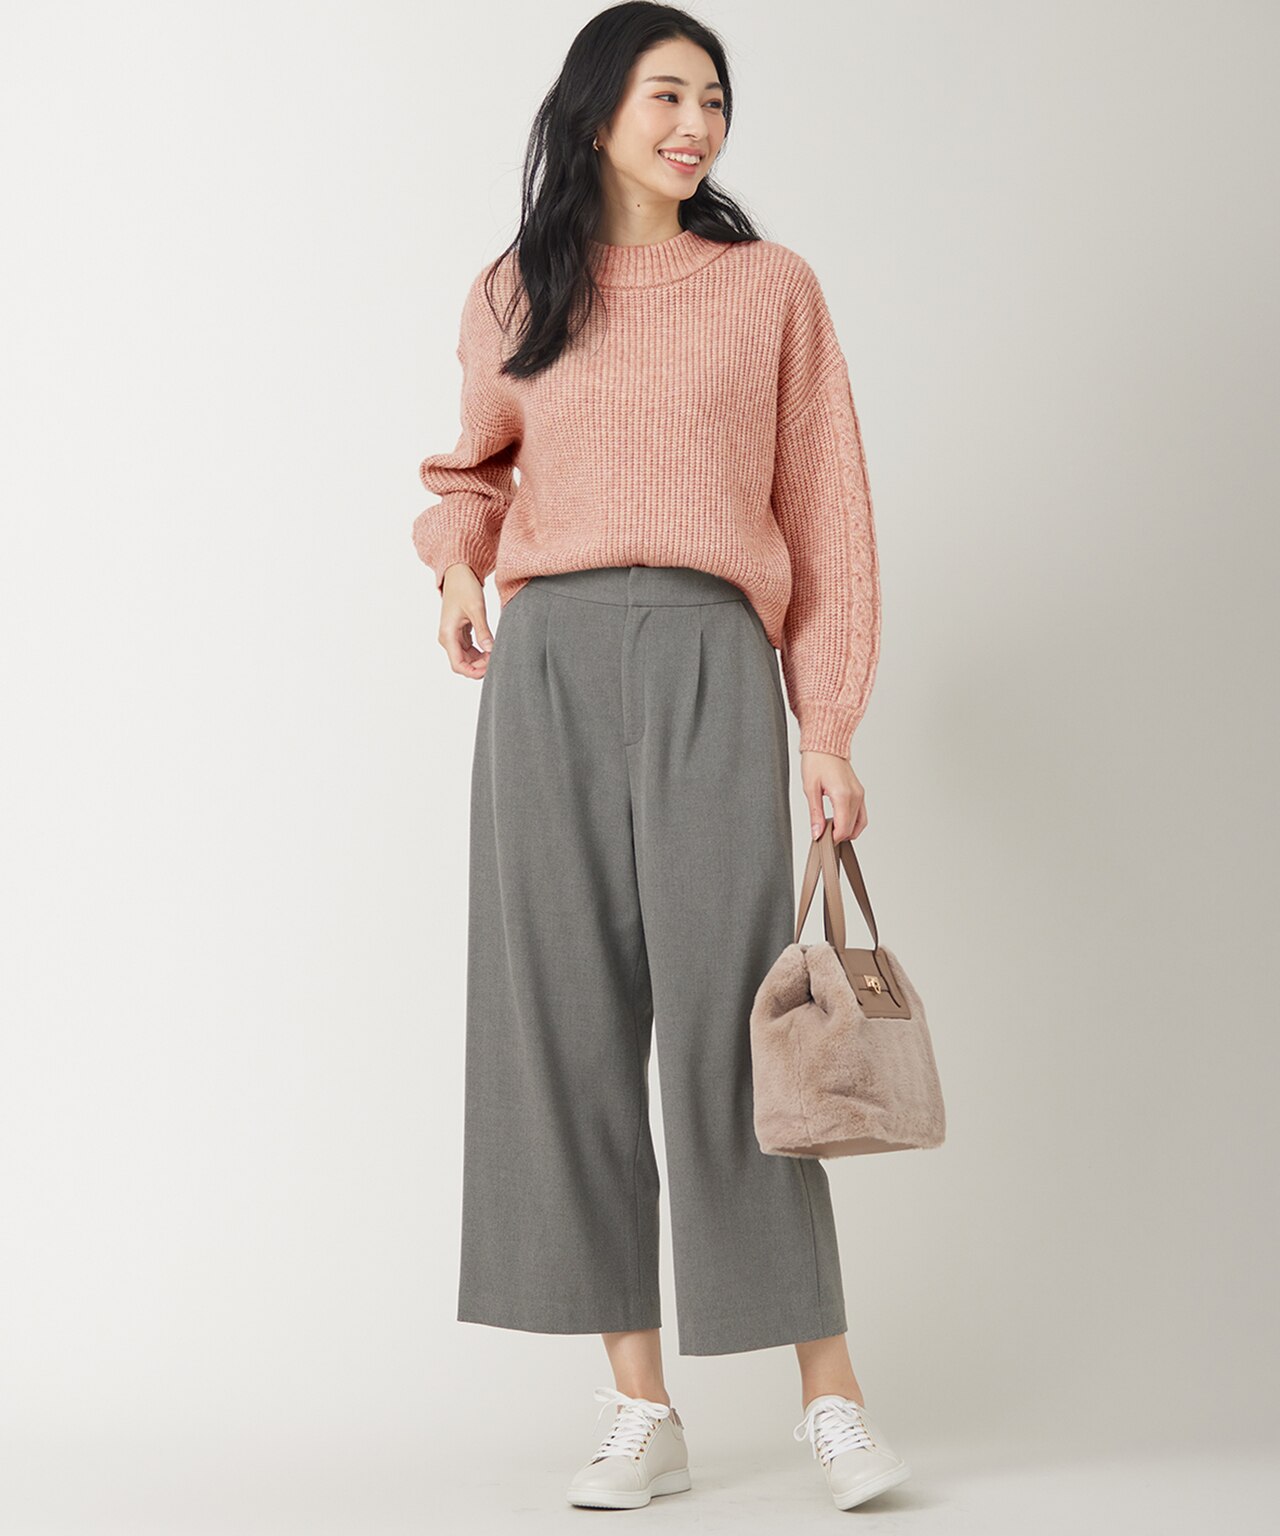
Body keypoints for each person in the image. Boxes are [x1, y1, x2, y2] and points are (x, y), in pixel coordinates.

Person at [412, 2, 910, 1514]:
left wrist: (827, 726)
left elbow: (828, 513)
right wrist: (457, 564)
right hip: (549, 665)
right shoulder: (517, 289)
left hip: (708, 653)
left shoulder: (769, 288)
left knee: (735, 1028)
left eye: (715, 101)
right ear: (594, 114)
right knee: (560, 1026)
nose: (697, 126)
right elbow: (473, 468)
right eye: (667, 97)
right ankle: (642, 1406)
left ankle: (833, 1399)